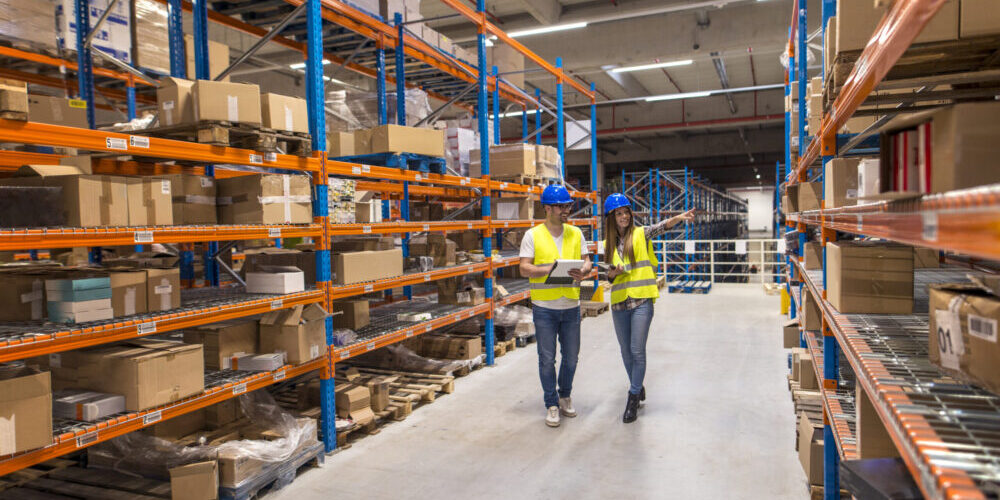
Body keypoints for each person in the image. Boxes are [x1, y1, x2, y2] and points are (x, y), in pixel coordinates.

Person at [603, 193, 695, 423]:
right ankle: (637, 383)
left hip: (642, 300)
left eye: (626, 212)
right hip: (619, 302)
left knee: (636, 350)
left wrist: (679, 217)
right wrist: (612, 274)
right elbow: (608, 276)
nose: (624, 217)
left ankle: (633, 397)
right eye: (619, 213)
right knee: (625, 352)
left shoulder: (641, 234)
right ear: (611, 218)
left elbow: (662, 226)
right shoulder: (607, 244)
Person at [519, 184, 593, 428]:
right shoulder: (533, 235)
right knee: (546, 359)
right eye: (562, 206)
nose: (566, 210)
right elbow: (524, 267)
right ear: (548, 208)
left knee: (571, 358)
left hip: (571, 304)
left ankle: (565, 395)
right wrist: (547, 270)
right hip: (544, 308)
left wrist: (584, 271)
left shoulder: (576, 233)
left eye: (568, 206)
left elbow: (587, 260)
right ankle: (551, 403)